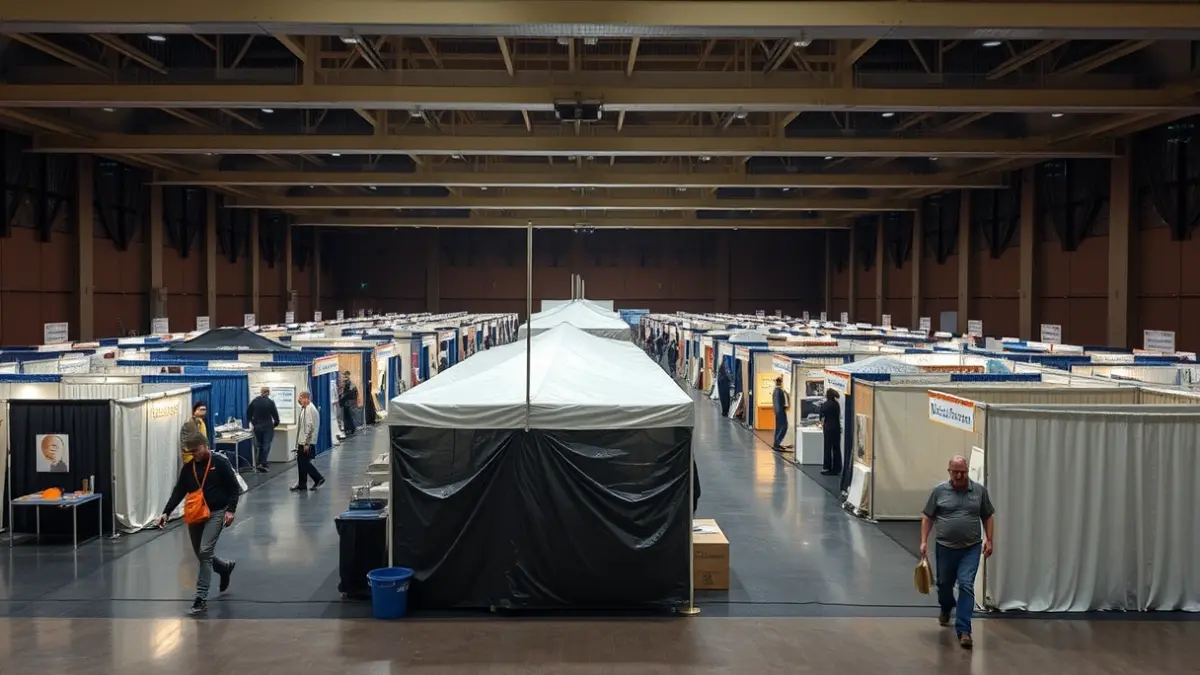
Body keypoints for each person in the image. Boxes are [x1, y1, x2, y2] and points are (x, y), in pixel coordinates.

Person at [156, 435, 239, 615]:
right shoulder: (189, 469)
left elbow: (234, 487)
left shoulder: (220, 462)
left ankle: (200, 598)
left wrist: (230, 510)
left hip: (216, 512)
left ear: (205, 445)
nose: (194, 455)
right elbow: (179, 491)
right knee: (202, 555)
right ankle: (224, 568)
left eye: (196, 451)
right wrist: (166, 512)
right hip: (196, 514)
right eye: (191, 452)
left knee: (205, 552)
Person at [920, 455, 996, 650]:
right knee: (944, 585)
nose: (960, 475)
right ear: (949, 472)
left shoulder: (979, 491)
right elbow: (928, 517)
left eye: (963, 471)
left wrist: (989, 539)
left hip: (971, 548)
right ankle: (946, 607)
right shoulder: (939, 491)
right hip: (945, 548)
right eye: (956, 472)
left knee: (966, 585)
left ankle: (964, 630)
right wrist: (923, 541)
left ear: (967, 470)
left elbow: (988, 515)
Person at [291, 391, 326, 492]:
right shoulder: (305, 408)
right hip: (303, 441)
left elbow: (310, 427)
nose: (299, 400)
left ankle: (318, 478)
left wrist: (307, 442)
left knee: (304, 462)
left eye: (300, 398)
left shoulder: (309, 409)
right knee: (301, 462)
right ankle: (302, 484)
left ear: (304, 398)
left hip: (306, 442)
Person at [245, 387, 280, 473]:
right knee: (266, 445)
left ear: (261, 392)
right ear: (268, 393)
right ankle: (263, 463)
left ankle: (259, 462)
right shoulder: (270, 403)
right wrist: (275, 424)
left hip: (258, 426)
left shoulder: (255, 401)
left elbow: (248, 413)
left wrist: (253, 422)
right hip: (268, 426)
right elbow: (275, 416)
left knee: (260, 445)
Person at [819, 389, 842, 476]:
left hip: (828, 428)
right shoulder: (836, 404)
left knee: (827, 448)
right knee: (836, 448)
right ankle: (837, 468)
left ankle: (827, 467)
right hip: (836, 428)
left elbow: (821, 416)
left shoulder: (825, 405)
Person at [771, 376, 789, 451]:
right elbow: (778, 403)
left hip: (778, 411)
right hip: (780, 412)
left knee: (779, 427)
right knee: (783, 427)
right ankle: (777, 443)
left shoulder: (776, 391)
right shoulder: (779, 391)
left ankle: (777, 443)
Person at [339, 371, 358, 435]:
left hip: (348, 401)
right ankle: (349, 428)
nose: (345, 376)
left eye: (346, 375)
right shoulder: (346, 383)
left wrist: (342, 396)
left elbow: (349, 393)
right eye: (345, 375)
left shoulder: (350, 384)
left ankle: (351, 428)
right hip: (347, 401)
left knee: (349, 415)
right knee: (347, 415)